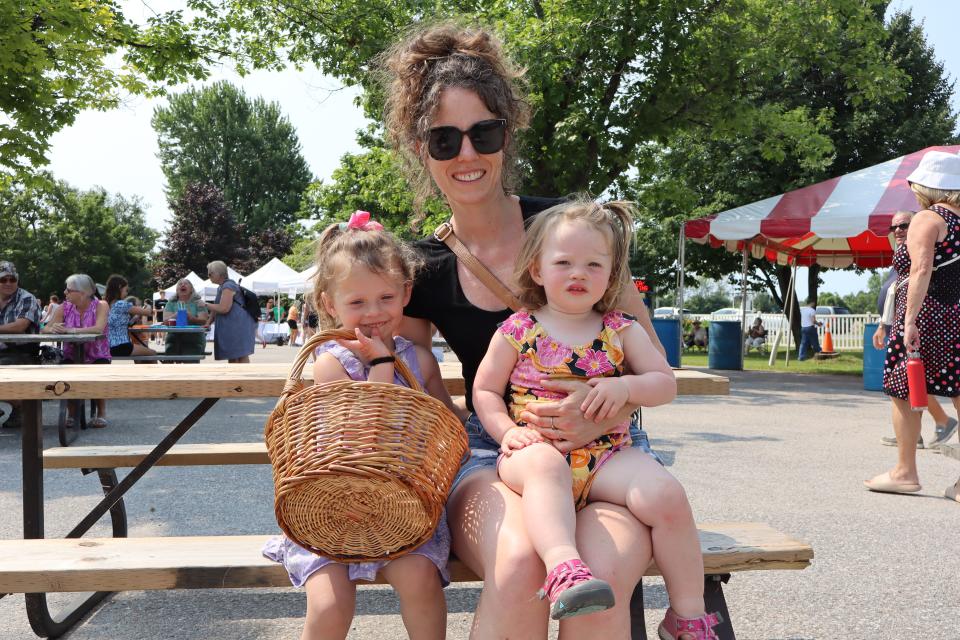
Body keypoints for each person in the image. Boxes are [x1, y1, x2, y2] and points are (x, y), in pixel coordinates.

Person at [384, 24, 702, 640]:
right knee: (522, 564)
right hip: (495, 451)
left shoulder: (571, 229)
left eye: (484, 133)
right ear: (421, 149)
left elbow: (647, 356)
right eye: (444, 140)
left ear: (508, 134)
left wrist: (604, 408)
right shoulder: (421, 265)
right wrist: (501, 433)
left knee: (602, 585)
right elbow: (412, 374)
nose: (467, 154)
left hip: (609, 445)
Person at [474, 199, 719, 634]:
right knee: (546, 466)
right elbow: (486, 390)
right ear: (537, 270)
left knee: (666, 494)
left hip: (607, 456)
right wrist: (506, 431)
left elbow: (664, 383)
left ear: (610, 274)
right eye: (563, 262)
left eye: (593, 264)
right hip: (533, 452)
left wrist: (626, 386)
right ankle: (563, 565)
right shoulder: (518, 329)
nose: (578, 273)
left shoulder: (620, 328)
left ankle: (688, 615)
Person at [262, 213, 458, 640]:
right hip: (329, 506)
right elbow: (366, 432)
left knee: (421, 583)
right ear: (329, 305)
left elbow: (448, 422)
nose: (374, 313)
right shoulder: (331, 363)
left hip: (401, 506)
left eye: (386, 297)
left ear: (406, 293)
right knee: (331, 603)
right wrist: (383, 365)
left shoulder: (421, 360)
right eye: (357, 303)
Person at [865, 151, 960, 497]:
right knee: (957, 390)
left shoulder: (927, 219)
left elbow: (920, 270)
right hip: (955, 312)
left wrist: (908, 320)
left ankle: (905, 471)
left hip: (927, 313)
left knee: (902, 389)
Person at [872, 210, 958, 449]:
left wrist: (909, 322)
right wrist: (883, 325)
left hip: (918, 326)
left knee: (908, 379)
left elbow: (917, 281)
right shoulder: (901, 255)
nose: (898, 230)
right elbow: (894, 293)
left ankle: (940, 421)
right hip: (902, 325)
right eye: (894, 227)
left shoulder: (920, 251)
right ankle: (915, 435)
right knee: (909, 380)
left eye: (904, 225)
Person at [42, 273, 111, 427]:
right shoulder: (64, 307)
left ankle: (101, 413)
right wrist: (54, 328)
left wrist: (70, 330)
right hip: (71, 353)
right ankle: (72, 414)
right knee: (65, 374)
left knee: (99, 371)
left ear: (82, 293)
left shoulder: (101, 305)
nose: (65, 293)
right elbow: (44, 328)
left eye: (68, 290)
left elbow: (98, 328)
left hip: (97, 353)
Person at [0, 261, 42, 428]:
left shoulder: (26, 298)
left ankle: (21, 406)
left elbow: (20, 326)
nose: (8, 283)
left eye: (12, 279)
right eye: (3, 280)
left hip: (21, 353)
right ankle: (20, 407)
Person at [203, 261, 256, 363]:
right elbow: (216, 307)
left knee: (240, 355)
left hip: (237, 326)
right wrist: (208, 322)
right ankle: (236, 377)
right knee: (234, 355)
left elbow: (224, 308)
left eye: (210, 273)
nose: (208, 276)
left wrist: (205, 304)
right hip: (234, 326)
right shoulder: (223, 286)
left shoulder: (228, 286)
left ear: (219, 273)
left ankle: (243, 378)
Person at [104, 275, 156, 361]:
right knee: (153, 353)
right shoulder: (121, 304)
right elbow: (148, 313)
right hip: (121, 346)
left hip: (108, 345)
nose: (126, 294)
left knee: (140, 355)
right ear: (120, 287)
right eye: (126, 290)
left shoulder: (106, 304)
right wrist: (148, 305)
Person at [162, 279, 209, 359]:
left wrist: (193, 319)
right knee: (170, 355)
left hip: (194, 338)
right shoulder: (171, 302)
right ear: (177, 290)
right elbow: (165, 322)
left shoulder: (198, 302)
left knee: (190, 357)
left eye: (186, 283)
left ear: (191, 289)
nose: (183, 285)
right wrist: (176, 315)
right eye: (180, 284)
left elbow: (204, 320)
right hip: (173, 337)